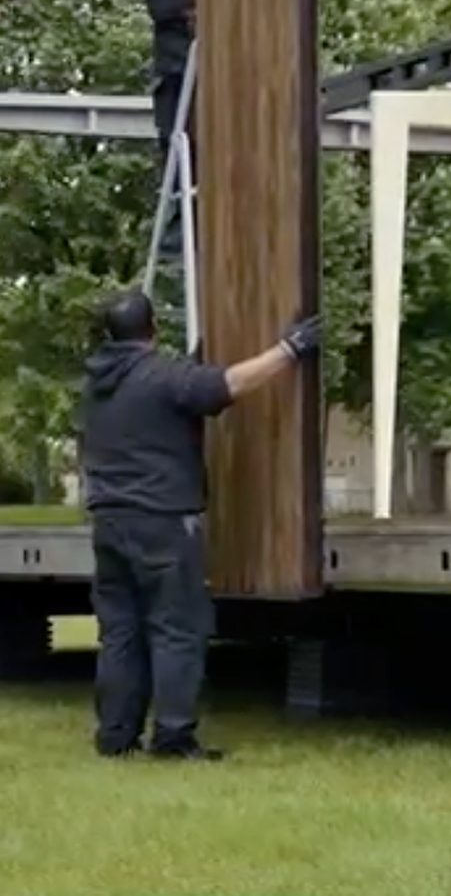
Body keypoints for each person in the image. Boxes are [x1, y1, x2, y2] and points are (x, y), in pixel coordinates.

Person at [78, 289, 321, 761]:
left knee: (120, 633)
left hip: (109, 522)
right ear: (152, 329)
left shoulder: (97, 385)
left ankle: (115, 736)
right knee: (176, 628)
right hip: (162, 521)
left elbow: (160, 402)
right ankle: (172, 739)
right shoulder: (164, 377)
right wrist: (289, 349)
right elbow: (228, 385)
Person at [81, 0, 198, 248]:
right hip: (168, 31)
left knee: (194, 123)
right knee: (171, 128)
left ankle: (194, 213)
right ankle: (182, 213)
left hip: (192, 27)